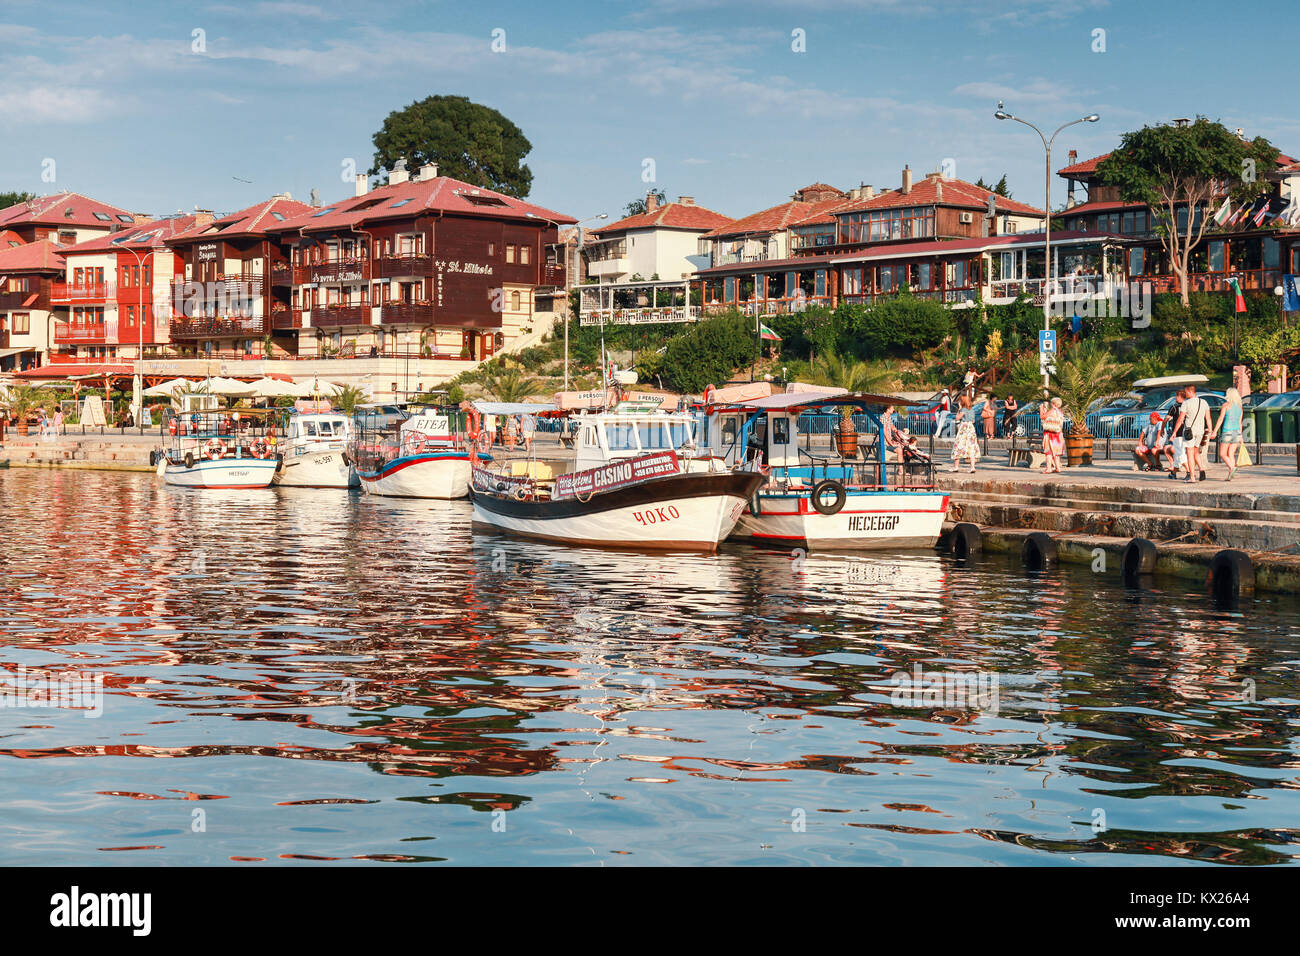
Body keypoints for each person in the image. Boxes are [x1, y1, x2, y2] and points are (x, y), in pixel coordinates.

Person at [1172, 384, 1211, 483]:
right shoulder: (1204, 402)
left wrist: (1175, 432)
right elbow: (1208, 418)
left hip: (1190, 432)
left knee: (1189, 453)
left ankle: (1192, 477)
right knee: (1196, 451)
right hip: (1200, 431)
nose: (1185, 394)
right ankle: (1201, 469)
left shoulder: (1186, 403)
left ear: (1190, 392)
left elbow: (1180, 419)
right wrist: (1210, 430)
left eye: (1186, 392)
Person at [1208, 387, 1244, 481]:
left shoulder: (1226, 405)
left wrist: (1215, 431)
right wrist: (1241, 436)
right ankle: (1230, 476)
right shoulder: (1240, 408)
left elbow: (1220, 419)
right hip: (1237, 432)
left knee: (1222, 454)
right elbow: (1240, 423)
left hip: (1227, 431)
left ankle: (1232, 468)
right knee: (1231, 454)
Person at [949, 394, 979, 473]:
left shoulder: (963, 410)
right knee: (971, 446)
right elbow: (973, 421)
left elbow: (957, 417)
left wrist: (959, 409)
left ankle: (956, 467)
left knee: (959, 446)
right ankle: (972, 467)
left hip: (964, 428)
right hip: (971, 428)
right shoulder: (972, 410)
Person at [1040, 397, 1065, 474]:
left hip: (1050, 434)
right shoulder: (1060, 412)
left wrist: (1041, 409)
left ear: (1053, 403)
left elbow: (1042, 417)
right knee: (1056, 453)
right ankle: (1058, 467)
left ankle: (1048, 468)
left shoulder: (1052, 411)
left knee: (1049, 452)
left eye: (1051, 403)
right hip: (1058, 435)